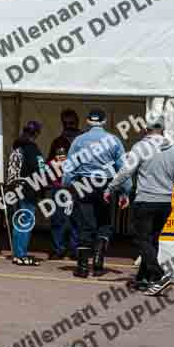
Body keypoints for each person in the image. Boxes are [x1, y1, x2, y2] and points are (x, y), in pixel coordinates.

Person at [105, 112, 174, 295]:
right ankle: (143, 278)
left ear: (146, 129)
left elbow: (126, 171)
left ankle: (159, 275)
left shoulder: (141, 147)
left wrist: (111, 188)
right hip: (165, 202)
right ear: (163, 129)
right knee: (152, 241)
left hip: (145, 200)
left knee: (141, 240)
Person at [62, 108, 131, 277]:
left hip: (84, 184)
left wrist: (67, 185)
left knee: (85, 224)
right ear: (104, 121)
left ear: (88, 121)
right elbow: (123, 168)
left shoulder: (79, 140)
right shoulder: (113, 140)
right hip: (105, 184)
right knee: (104, 223)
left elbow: (70, 166)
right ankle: (98, 261)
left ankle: (82, 266)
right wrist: (125, 191)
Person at [7, 120, 46, 266]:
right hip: (28, 189)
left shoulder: (16, 148)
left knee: (18, 222)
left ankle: (17, 254)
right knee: (26, 222)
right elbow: (41, 169)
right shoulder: (32, 148)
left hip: (14, 189)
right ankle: (22, 255)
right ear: (36, 134)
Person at [46, 109, 82, 259]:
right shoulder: (57, 142)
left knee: (77, 219)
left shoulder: (83, 141)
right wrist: (52, 179)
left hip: (78, 186)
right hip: (59, 186)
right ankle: (58, 249)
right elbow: (49, 163)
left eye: (71, 123)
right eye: (65, 123)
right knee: (58, 219)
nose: (68, 126)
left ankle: (75, 250)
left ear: (77, 122)